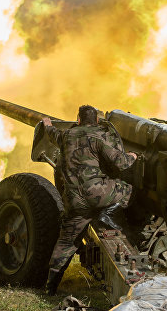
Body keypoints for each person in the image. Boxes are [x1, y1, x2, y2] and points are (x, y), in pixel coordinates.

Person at [42, 105, 137, 296]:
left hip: (74, 202)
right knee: (127, 190)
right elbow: (121, 162)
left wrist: (47, 124)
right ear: (96, 121)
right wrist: (133, 156)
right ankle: (106, 215)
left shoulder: (66, 136)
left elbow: (52, 133)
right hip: (99, 194)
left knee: (66, 243)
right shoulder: (99, 137)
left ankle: (50, 287)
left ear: (78, 120)